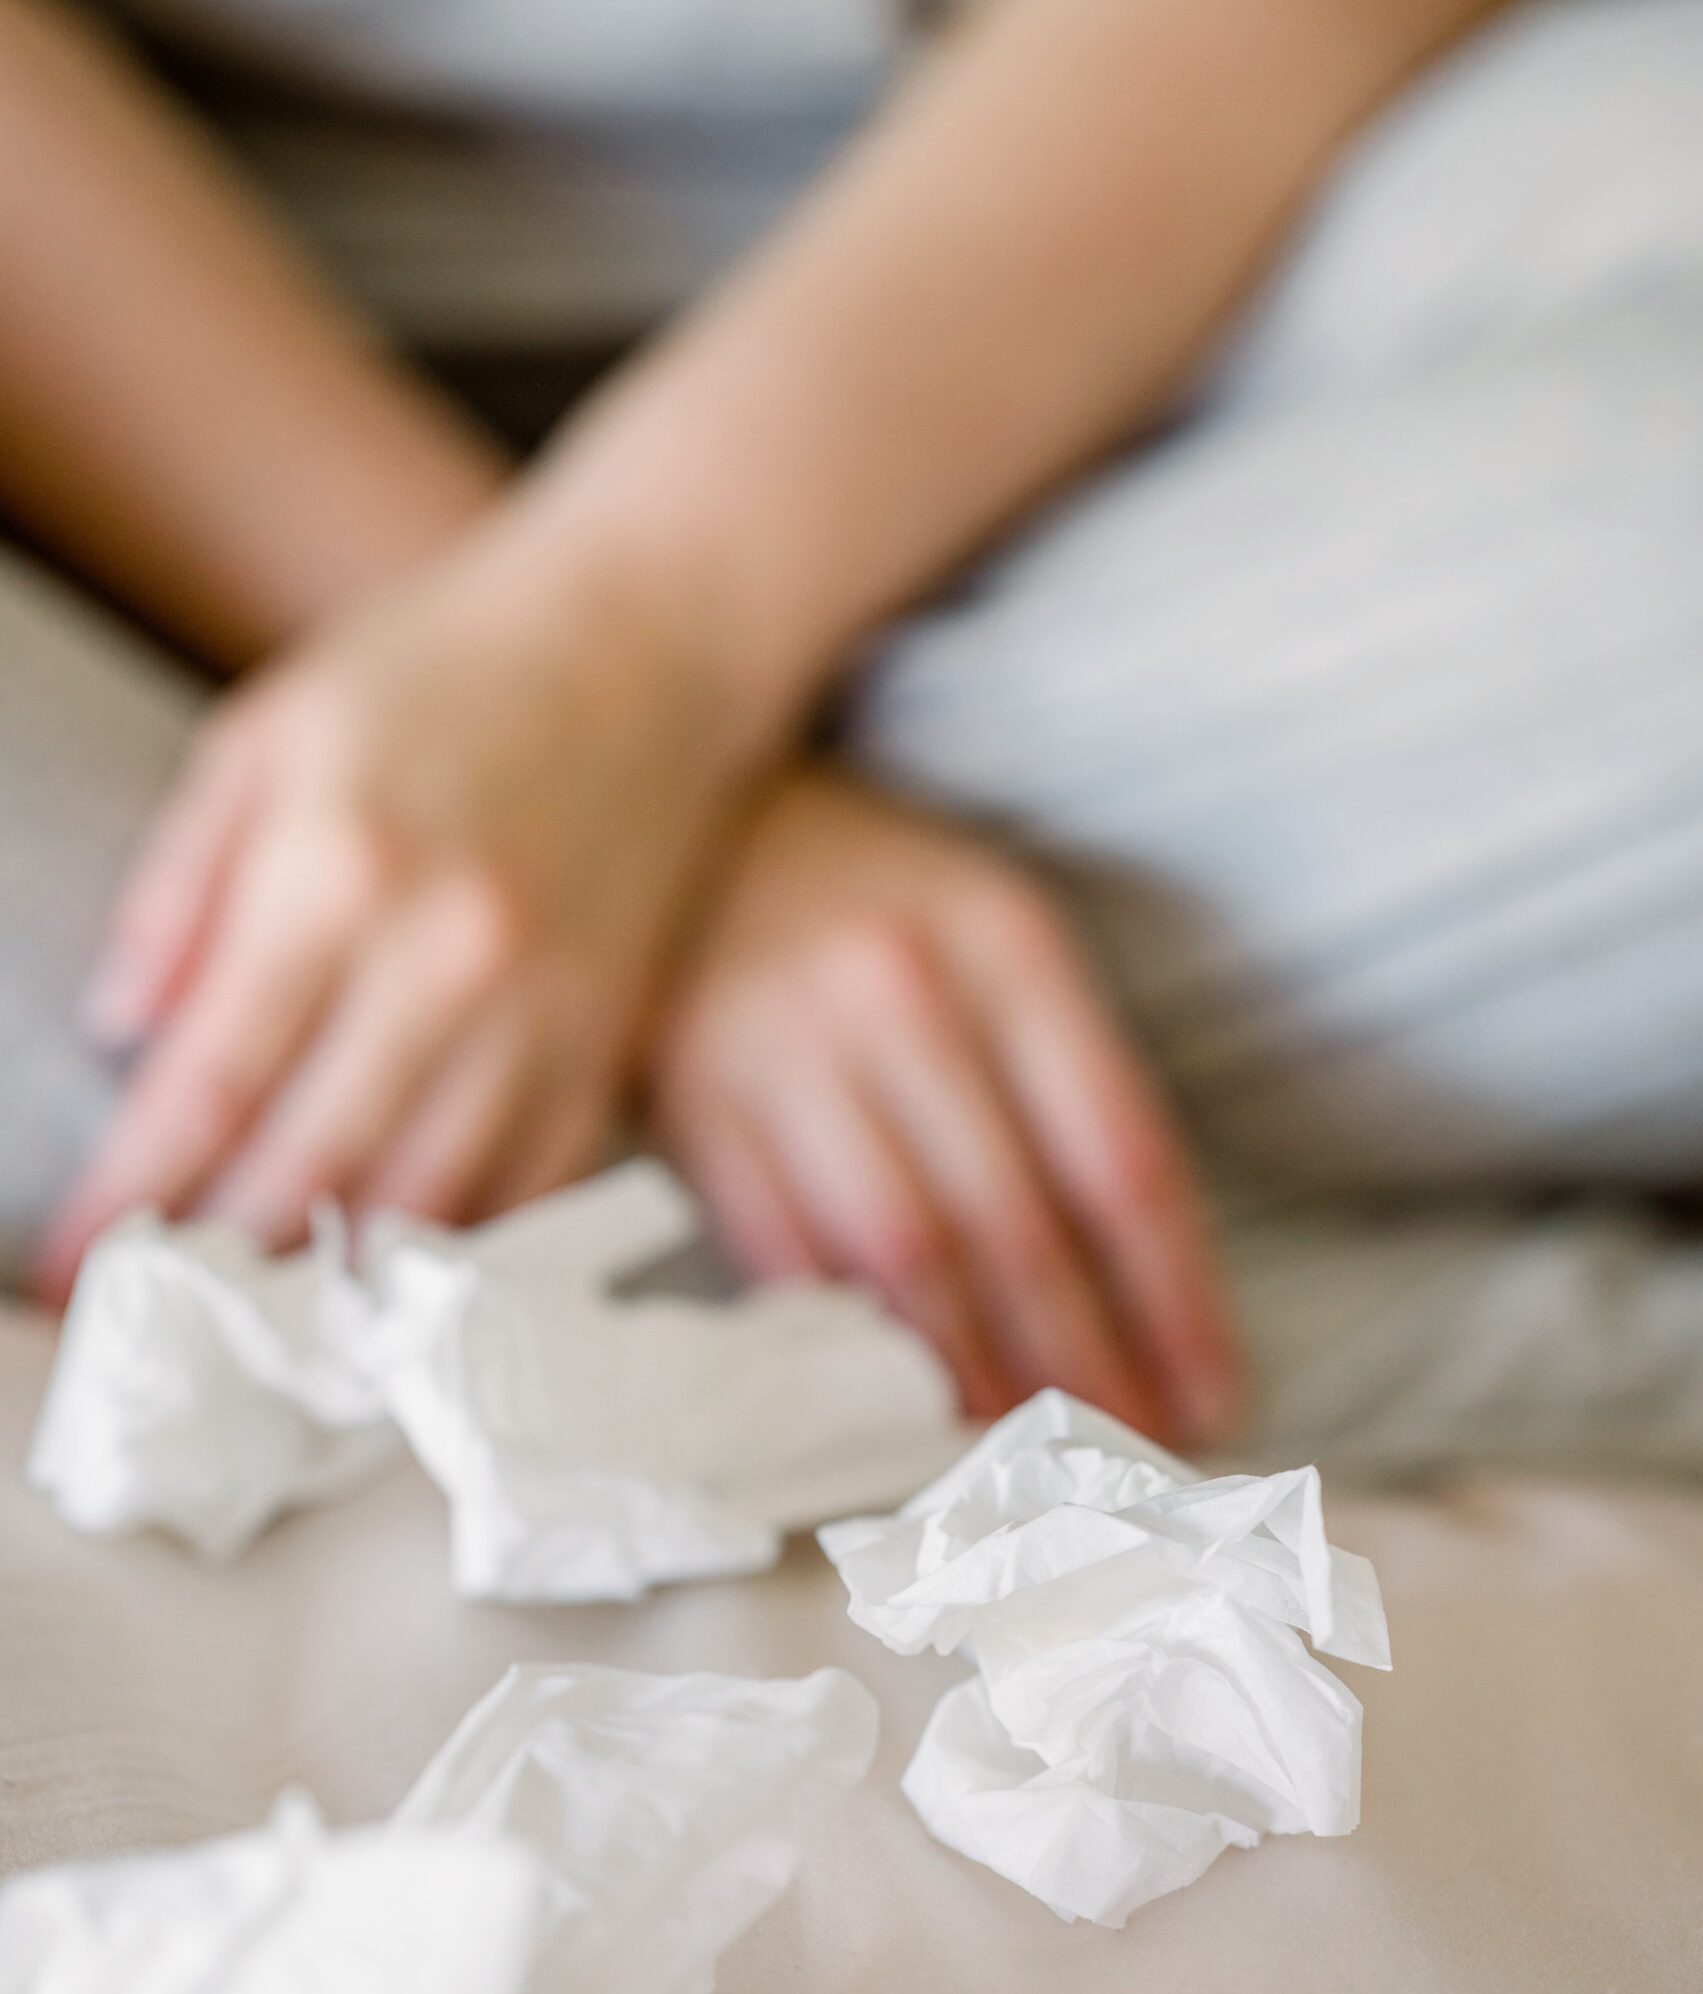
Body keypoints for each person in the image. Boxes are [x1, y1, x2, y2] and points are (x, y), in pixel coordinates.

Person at [2, 0, 1701, 1455]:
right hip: (178, 391)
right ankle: (1426, 1316)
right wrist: (530, 711)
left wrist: (626, 659)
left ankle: (738, 1270)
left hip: (1105, 206)